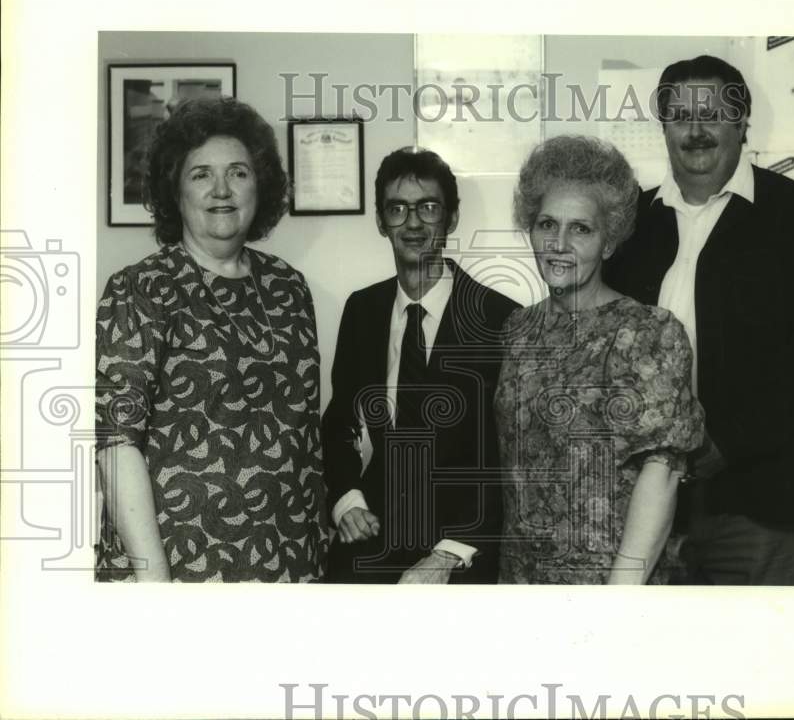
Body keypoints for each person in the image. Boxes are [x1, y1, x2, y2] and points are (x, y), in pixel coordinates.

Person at [605, 54, 794, 585]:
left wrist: (726, 445)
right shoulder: (633, 226)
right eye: (680, 115)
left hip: (766, 507)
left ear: (742, 122)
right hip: (647, 508)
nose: (695, 131)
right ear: (663, 126)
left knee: (766, 659)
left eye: (712, 113)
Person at [95, 97, 327, 582]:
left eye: (238, 172)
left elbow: (304, 439)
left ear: (260, 185)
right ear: (174, 190)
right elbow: (116, 444)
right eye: (201, 174)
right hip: (178, 568)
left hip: (288, 560)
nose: (222, 189)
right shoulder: (140, 288)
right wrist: (153, 584)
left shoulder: (289, 287)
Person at [495, 135, 705, 585]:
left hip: (611, 586)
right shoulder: (516, 331)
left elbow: (662, 475)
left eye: (581, 229)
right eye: (547, 224)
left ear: (608, 242)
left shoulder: (649, 333)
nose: (560, 243)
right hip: (520, 586)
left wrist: (618, 598)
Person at [321, 147, 519, 584]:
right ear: (380, 221)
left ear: (450, 218)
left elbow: (507, 457)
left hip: (461, 550)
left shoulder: (500, 319)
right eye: (397, 209)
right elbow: (338, 422)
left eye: (428, 207)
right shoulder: (363, 309)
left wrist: (449, 555)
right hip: (372, 538)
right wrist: (347, 500)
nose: (412, 223)